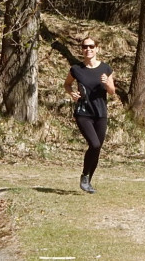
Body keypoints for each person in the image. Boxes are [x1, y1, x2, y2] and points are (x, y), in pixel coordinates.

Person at [63, 37, 116, 194]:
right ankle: (85, 177)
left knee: (97, 149)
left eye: (91, 46)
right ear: (82, 50)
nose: (88, 49)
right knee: (94, 144)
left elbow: (112, 92)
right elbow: (67, 84)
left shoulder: (106, 69)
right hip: (83, 113)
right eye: (85, 47)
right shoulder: (76, 69)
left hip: (101, 113)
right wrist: (71, 93)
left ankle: (87, 180)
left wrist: (107, 83)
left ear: (97, 49)